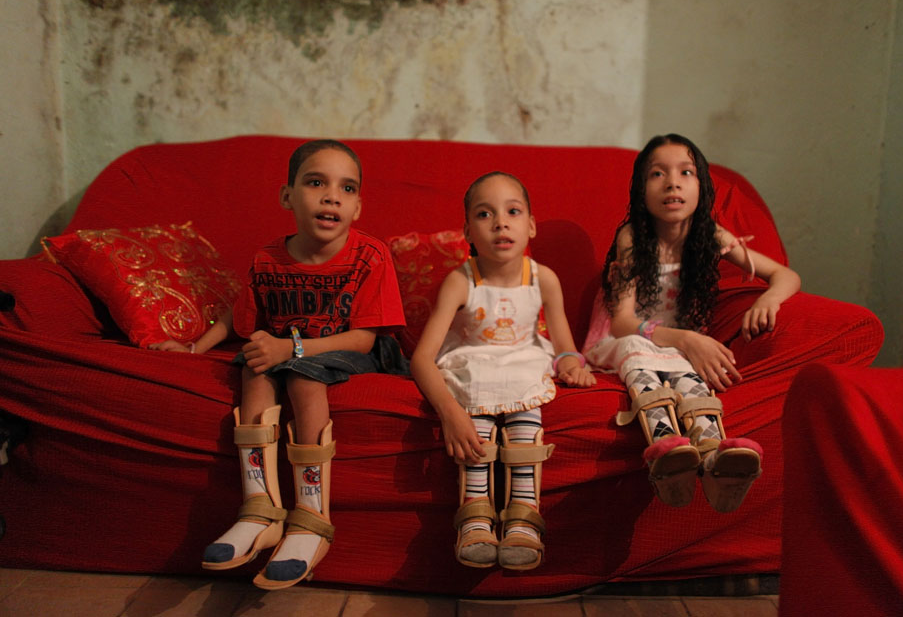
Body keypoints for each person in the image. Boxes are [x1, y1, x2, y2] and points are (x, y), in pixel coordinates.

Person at [151, 139, 406, 590]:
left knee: (301, 379)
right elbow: (240, 314)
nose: (332, 196)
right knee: (253, 368)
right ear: (287, 196)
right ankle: (260, 506)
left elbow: (365, 336)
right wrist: (195, 348)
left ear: (358, 206)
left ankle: (310, 516)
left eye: (346, 188)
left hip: (352, 349)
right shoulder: (268, 258)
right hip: (290, 349)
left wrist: (295, 351)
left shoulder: (370, 255)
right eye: (316, 183)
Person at [583, 134, 800, 512]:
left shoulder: (710, 236)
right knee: (641, 352)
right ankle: (665, 450)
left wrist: (769, 298)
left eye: (686, 172)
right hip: (625, 337)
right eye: (657, 174)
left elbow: (786, 275)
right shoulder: (633, 237)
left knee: (687, 371)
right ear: (640, 189)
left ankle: (715, 456)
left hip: (673, 344)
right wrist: (684, 339)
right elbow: (621, 324)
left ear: (702, 186)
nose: (672, 182)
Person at [410, 171, 596, 571]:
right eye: (485, 213)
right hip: (473, 361)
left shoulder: (543, 279)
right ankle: (475, 512)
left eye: (513, 211)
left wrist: (571, 364)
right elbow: (422, 358)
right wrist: (450, 413)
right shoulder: (460, 282)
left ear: (530, 226)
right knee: (475, 395)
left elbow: (565, 346)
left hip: (523, 359)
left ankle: (523, 514)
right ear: (467, 232)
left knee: (525, 415)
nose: (500, 222)